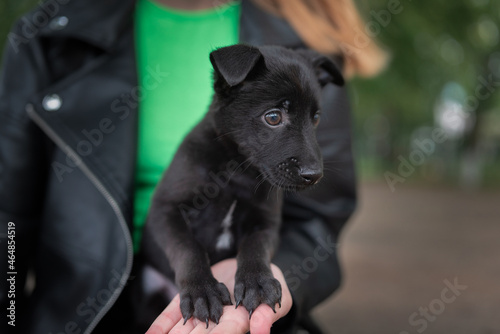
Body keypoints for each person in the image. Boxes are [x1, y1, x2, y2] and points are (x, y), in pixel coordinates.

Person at [0, 0, 385, 333]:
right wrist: (11, 314)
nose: (307, 153)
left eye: (311, 120)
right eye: (274, 118)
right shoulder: (52, 33)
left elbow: (315, 223)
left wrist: (271, 274)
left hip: (235, 306)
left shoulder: (306, 41)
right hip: (87, 312)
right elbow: (9, 224)